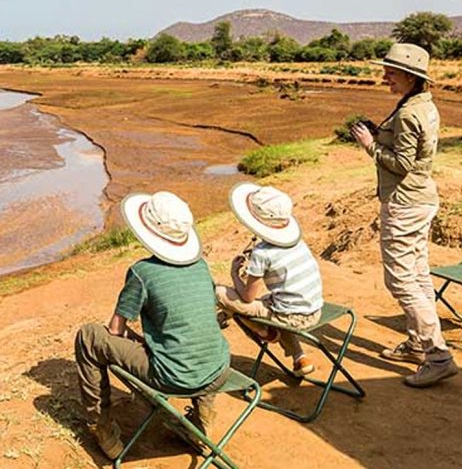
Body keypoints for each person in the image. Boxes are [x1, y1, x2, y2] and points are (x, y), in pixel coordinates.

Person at [74, 190, 231, 460]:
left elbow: (115, 330)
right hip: (219, 370)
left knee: (89, 337)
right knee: (194, 338)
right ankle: (202, 420)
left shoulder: (142, 272)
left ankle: (101, 427)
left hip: (174, 377)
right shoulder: (201, 265)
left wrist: (129, 335)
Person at [351, 42, 458, 388]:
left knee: (399, 279)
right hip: (421, 200)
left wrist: (370, 145)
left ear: (411, 77)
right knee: (417, 272)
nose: (384, 78)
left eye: (391, 73)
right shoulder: (422, 105)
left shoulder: (410, 112)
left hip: (404, 203)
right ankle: (418, 343)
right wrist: (381, 133)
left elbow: (401, 164)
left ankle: (437, 354)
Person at [215, 183, 323, 377]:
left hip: (289, 316)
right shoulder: (297, 241)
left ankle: (264, 332)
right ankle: (300, 357)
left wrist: (234, 274)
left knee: (220, 294)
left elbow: (248, 297)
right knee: (274, 301)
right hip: (313, 310)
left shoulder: (263, 252)